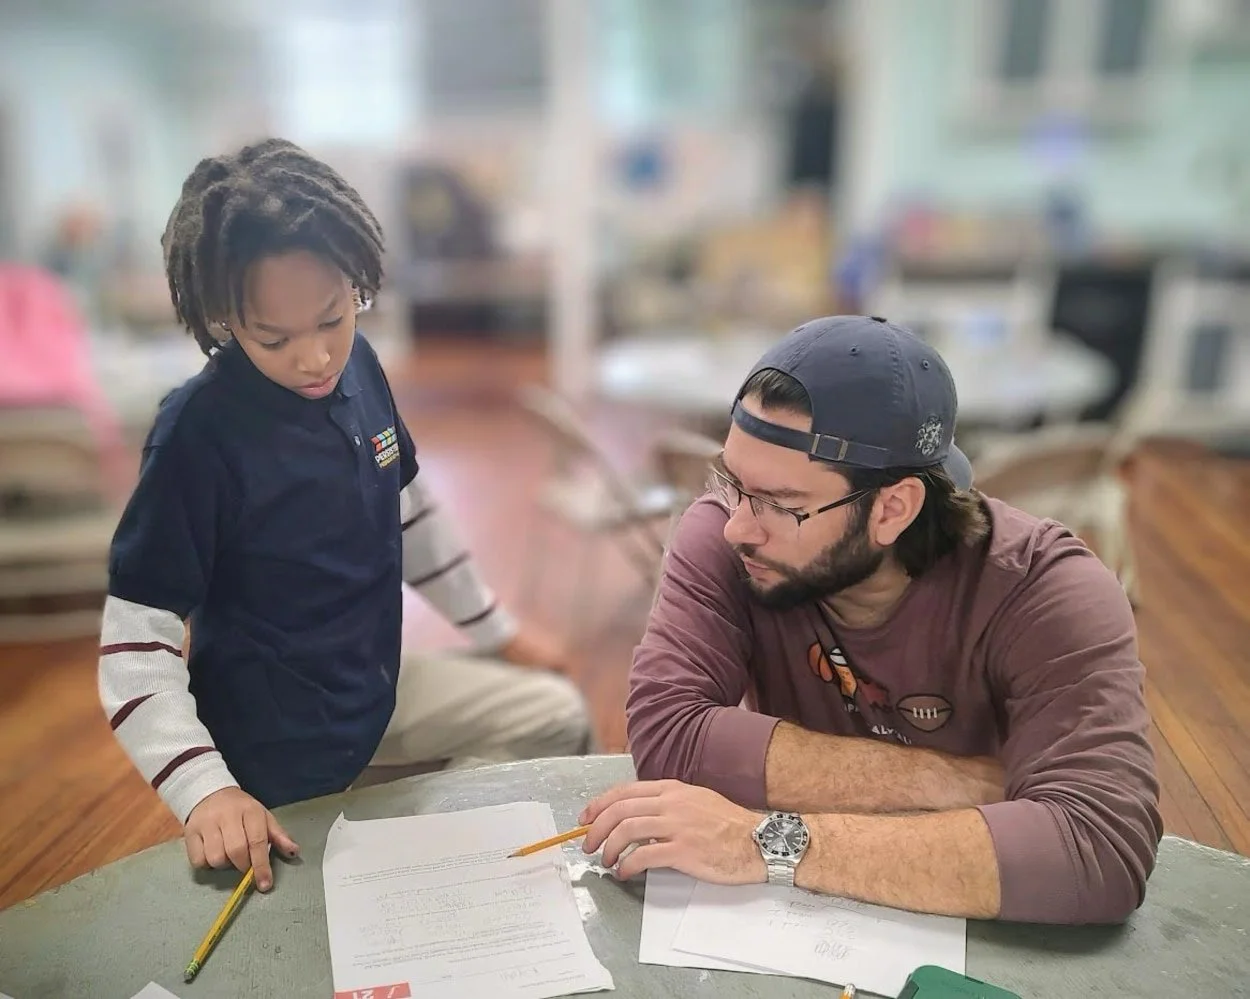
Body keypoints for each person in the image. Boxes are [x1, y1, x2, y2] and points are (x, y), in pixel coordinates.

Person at [98, 139, 590, 894]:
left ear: (355, 282)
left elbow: (408, 511)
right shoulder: (195, 434)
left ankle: (420, 847)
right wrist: (205, 789)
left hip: (372, 690)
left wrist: (499, 631)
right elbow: (134, 642)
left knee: (557, 717)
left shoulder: (359, 367)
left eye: (333, 318)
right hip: (276, 744)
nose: (315, 359)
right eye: (275, 338)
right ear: (223, 317)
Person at [577, 315, 1161, 925]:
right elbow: (668, 737)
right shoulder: (724, 534)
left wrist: (765, 843)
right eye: (731, 481)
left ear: (892, 509)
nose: (737, 527)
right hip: (817, 917)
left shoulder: (1047, 591)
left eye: (780, 503)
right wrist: (950, 782)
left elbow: (1097, 850)